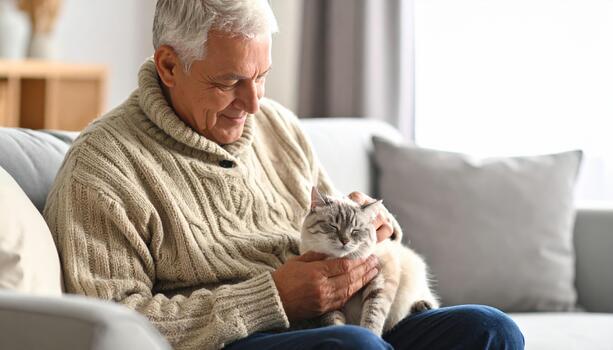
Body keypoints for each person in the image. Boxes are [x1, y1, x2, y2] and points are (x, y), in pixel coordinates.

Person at [44, 1, 525, 349]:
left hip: (340, 323)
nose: (253, 105)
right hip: (237, 340)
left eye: (261, 77)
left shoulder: (278, 125)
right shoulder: (101, 171)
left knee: (490, 329)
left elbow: (334, 219)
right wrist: (271, 297)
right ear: (170, 65)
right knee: (355, 349)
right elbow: (112, 326)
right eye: (230, 82)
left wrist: (373, 232)